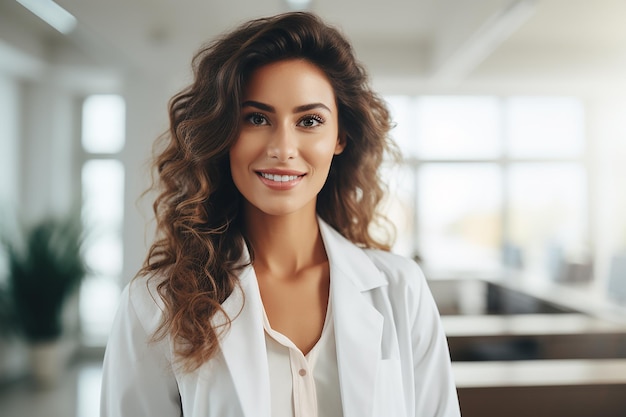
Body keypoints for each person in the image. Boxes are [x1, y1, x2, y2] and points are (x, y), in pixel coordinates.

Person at [100, 11, 460, 417]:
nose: (283, 148)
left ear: (339, 137)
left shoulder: (401, 290)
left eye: (309, 121)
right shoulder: (156, 304)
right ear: (224, 134)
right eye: (256, 118)